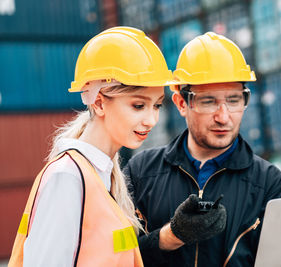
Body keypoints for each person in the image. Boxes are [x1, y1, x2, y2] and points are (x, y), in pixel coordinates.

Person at [8, 26, 175, 267]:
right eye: (139, 106)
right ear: (99, 103)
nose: (152, 119)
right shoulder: (67, 177)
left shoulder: (103, 177)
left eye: (157, 105)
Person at [124, 32, 281, 266]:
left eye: (233, 100)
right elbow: (113, 246)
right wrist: (168, 236)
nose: (223, 117)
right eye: (208, 101)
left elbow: (280, 257)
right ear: (182, 103)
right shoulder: (140, 172)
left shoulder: (269, 184)